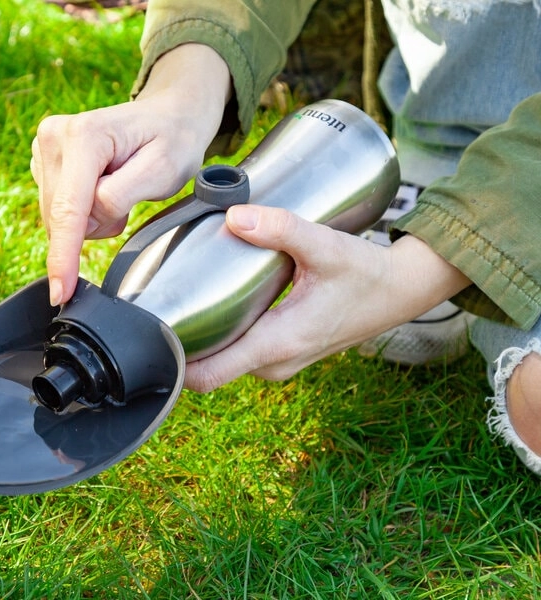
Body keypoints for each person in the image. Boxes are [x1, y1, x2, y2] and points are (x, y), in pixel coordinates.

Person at [30, 1, 541, 473]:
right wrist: (183, 93)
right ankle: (440, 158)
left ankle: (459, 228)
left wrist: (412, 272)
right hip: (443, 109)